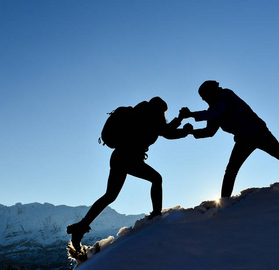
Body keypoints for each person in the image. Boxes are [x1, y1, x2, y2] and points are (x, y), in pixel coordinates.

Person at [67, 97, 191, 250]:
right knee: (156, 179)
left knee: (110, 195)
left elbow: (163, 130)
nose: (163, 115)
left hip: (119, 156)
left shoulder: (138, 113)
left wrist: (179, 121)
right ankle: (157, 216)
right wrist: (185, 129)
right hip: (130, 158)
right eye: (164, 112)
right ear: (160, 109)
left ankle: (80, 227)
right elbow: (167, 132)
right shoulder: (152, 118)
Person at [179, 80, 279, 198]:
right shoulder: (212, 109)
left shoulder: (225, 94)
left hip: (259, 132)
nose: (204, 100)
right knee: (231, 170)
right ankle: (224, 201)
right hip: (244, 139)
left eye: (204, 96)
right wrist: (190, 132)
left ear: (211, 92)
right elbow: (210, 131)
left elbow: (216, 112)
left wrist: (191, 114)